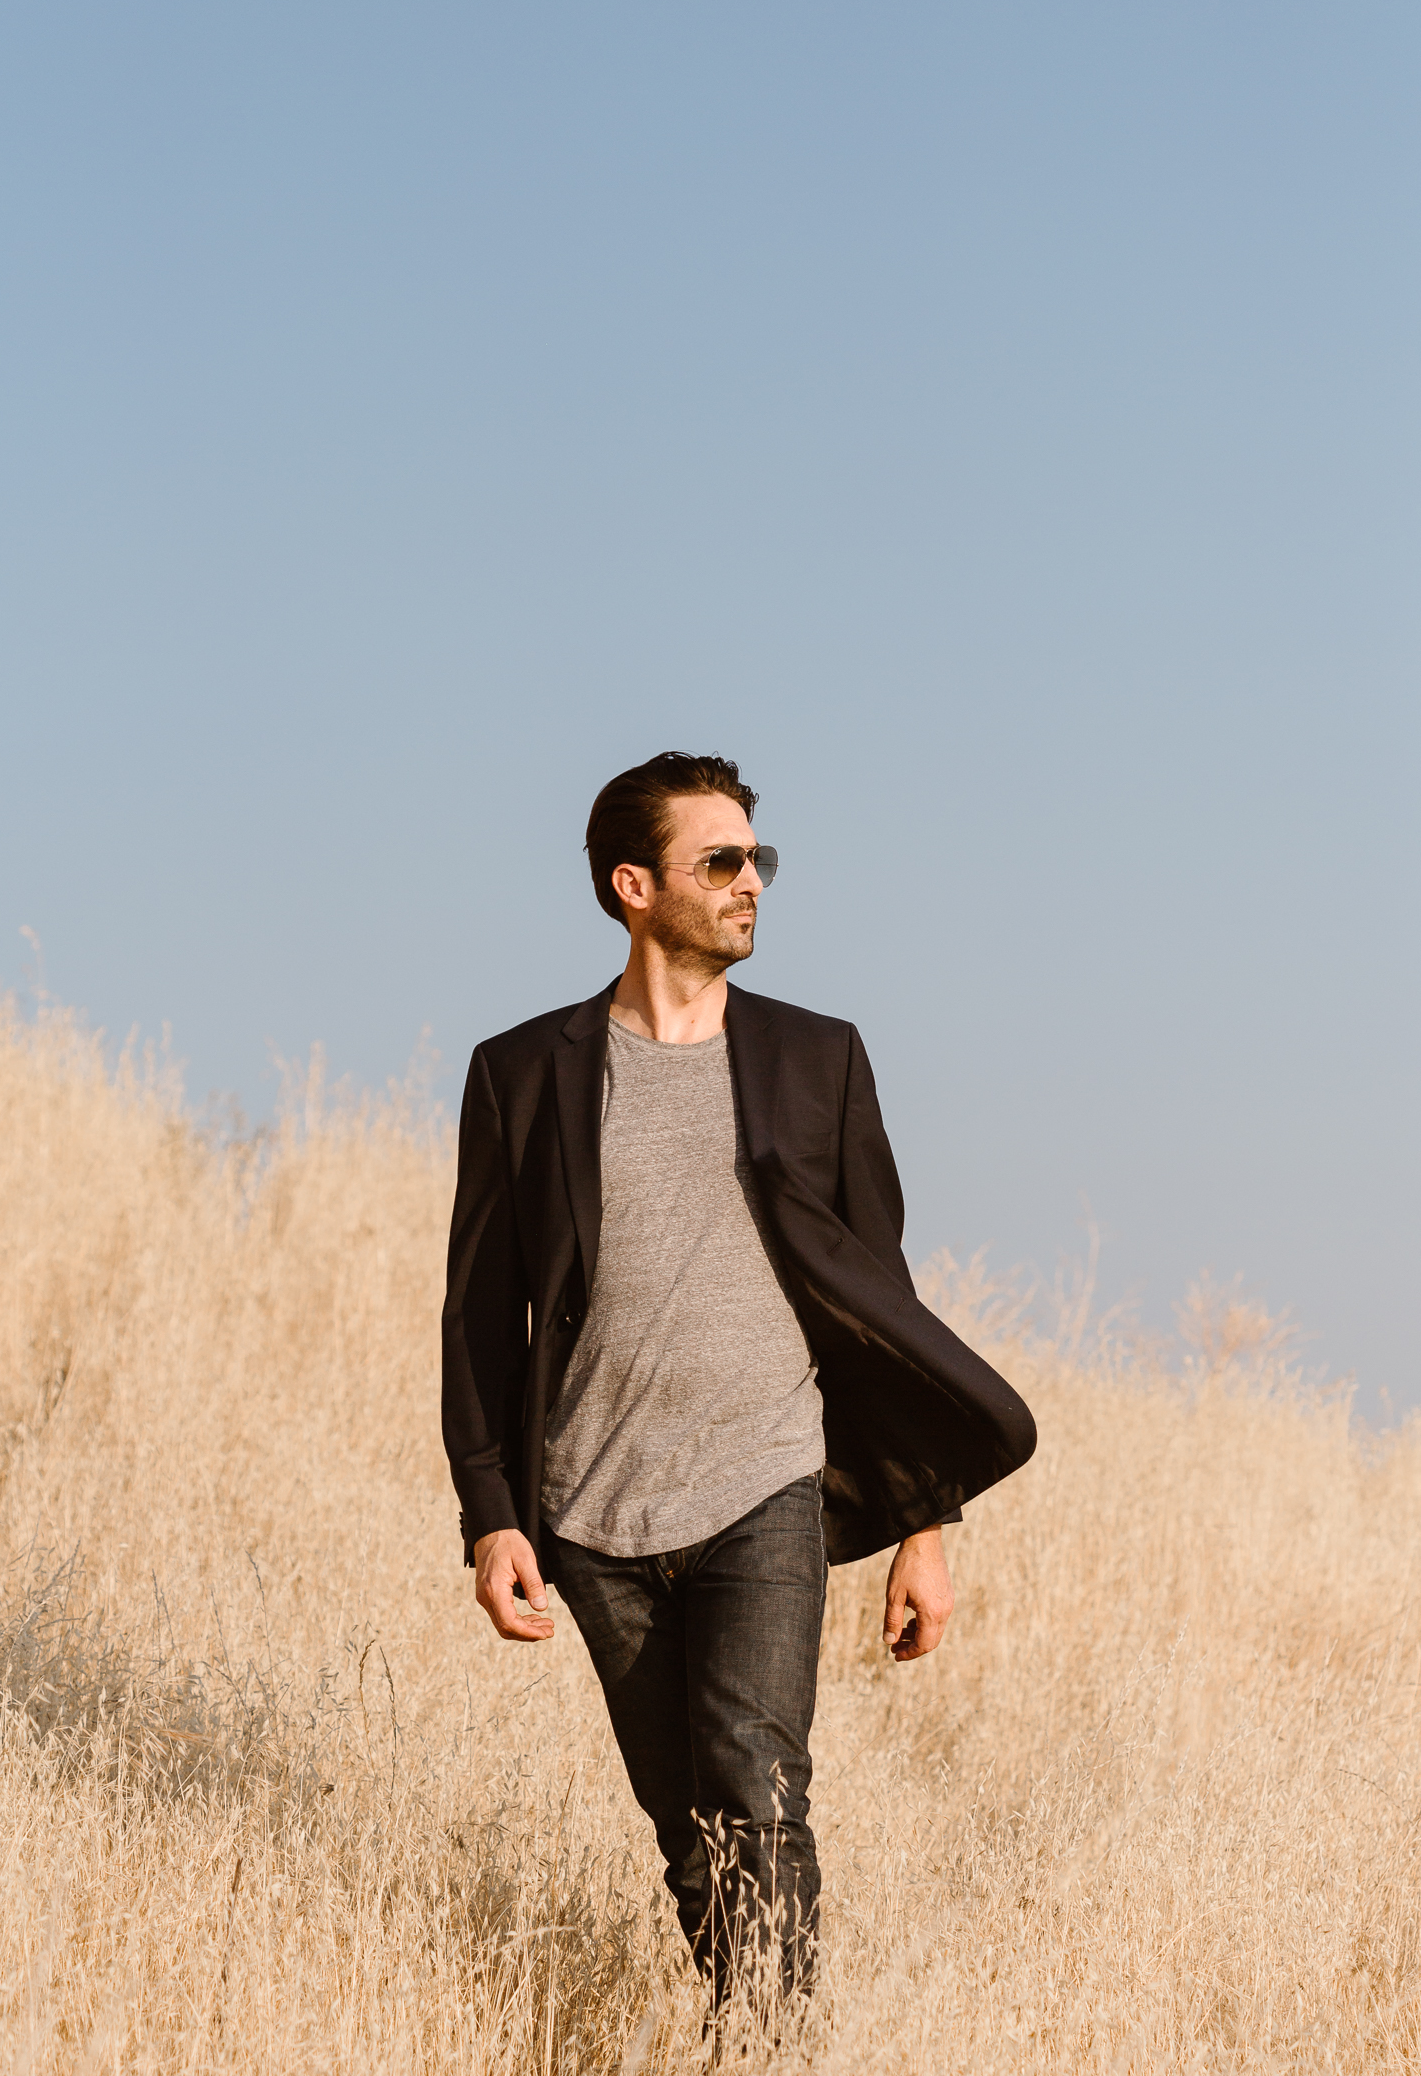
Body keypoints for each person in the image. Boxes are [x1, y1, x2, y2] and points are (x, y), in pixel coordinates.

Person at [441, 750, 1036, 2009]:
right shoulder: (523, 1071)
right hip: (592, 1511)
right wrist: (492, 1514)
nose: (750, 880)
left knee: (758, 1791)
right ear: (634, 885)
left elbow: (882, 1304)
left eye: (756, 856)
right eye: (719, 861)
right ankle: (746, 2057)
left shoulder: (817, 1059)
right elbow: (483, 1314)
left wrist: (923, 1526)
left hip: (766, 1480)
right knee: (688, 1828)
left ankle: (771, 2068)